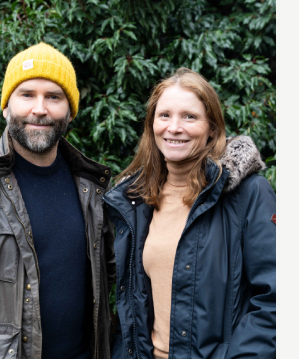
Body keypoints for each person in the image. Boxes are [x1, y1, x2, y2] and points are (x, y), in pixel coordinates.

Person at [0, 43, 115, 359]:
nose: (40, 108)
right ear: (6, 106)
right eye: (27, 94)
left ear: (70, 111)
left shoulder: (92, 186)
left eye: (54, 97)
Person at [104, 68, 276, 359]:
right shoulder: (136, 202)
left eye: (189, 116)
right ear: (152, 125)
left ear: (212, 127)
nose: (174, 127)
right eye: (164, 116)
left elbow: (276, 298)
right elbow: (132, 305)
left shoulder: (249, 194)